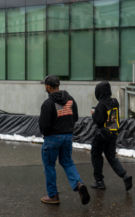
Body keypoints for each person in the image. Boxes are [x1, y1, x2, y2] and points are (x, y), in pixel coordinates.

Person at [39, 75, 90, 205]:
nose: (45, 87)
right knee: (67, 162)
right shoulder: (70, 100)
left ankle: (53, 195)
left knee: (49, 166)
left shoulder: (48, 103)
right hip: (68, 137)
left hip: (52, 139)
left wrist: (48, 133)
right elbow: (76, 118)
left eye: (45, 85)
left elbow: (44, 125)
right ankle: (79, 184)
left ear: (49, 86)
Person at [90, 81, 132, 191]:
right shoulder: (114, 102)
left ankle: (99, 181)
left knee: (96, 155)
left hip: (102, 134)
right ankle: (124, 176)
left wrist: (94, 114)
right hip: (113, 133)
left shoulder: (101, 104)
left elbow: (98, 121)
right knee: (111, 157)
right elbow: (112, 119)